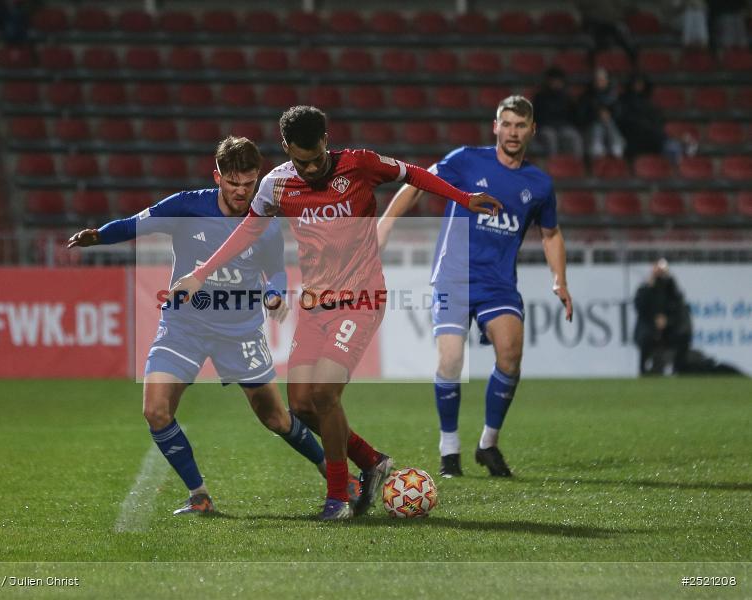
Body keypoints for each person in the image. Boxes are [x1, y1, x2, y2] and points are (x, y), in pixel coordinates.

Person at [169, 106, 501, 519]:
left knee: (324, 394)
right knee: (303, 406)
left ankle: (338, 497)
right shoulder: (276, 184)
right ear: (286, 148)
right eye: (300, 160)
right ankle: (373, 461)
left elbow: (414, 173)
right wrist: (200, 274)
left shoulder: (360, 164)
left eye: (316, 158)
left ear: (327, 140)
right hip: (314, 304)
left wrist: (464, 198)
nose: (309, 169)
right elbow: (246, 233)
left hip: (361, 300)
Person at [67, 137, 328, 515]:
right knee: (156, 411)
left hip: (239, 330)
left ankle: (335, 475)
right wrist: (100, 236)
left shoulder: (265, 224)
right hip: (184, 324)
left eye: (249, 184)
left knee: (276, 418)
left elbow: (276, 270)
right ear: (217, 176)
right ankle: (199, 495)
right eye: (233, 183)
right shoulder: (187, 206)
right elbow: (136, 224)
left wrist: (274, 294)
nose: (241, 192)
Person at [377, 96, 573, 479]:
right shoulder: (466, 160)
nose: (513, 132)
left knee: (511, 354)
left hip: (498, 283)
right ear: (495, 126)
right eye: (507, 124)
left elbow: (551, 234)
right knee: (450, 361)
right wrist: (384, 224)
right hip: (453, 275)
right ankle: (449, 451)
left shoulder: (539, 183)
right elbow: (417, 182)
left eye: (521, 125)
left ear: (532, 131)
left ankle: (488, 444)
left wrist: (560, 279)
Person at [633, 259, 691, 375]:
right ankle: (643, 370)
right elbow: (640, 307)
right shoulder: (645, 289)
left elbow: (678, 309)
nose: (659, 275)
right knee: (646, 337)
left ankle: (678, 369)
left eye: (662, 272)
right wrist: (649, 286)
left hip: (669, 330)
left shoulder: (672, 290)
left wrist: (667, 321)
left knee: (683, 336)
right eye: (657, 271)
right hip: (649, 328)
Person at [617, 73, 683, 163]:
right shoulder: (624, 100)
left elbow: (657, 120)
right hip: (633, 138)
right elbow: (626, 120)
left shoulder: (649, 102)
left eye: (641, 83)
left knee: (671, 145)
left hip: (651, 137)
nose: (638, 86)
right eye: (636, 83)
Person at [531, 67, 584, 158]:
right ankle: (554, 166)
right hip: (546, 127)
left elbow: (573, 116)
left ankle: (576, 165)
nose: (556, 83)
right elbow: (536, 117)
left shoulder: (567, 97)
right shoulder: (540, 97)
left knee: (575, 136)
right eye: (553, 81)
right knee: (551, 137)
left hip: (563, 127)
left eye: (558, 81)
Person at [579, 67, 626, 159]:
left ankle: (616, 148)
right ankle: (597, 149)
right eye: (597, 80)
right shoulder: (586, 97)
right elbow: (581, 116)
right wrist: (597, 115)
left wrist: (609, 115)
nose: (600, 83)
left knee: (609, 123)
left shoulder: (614, 97)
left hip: (610, 127)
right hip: (591, 129)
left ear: (607, 81)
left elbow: (620, 115)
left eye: (602, 80)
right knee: (597, 126)